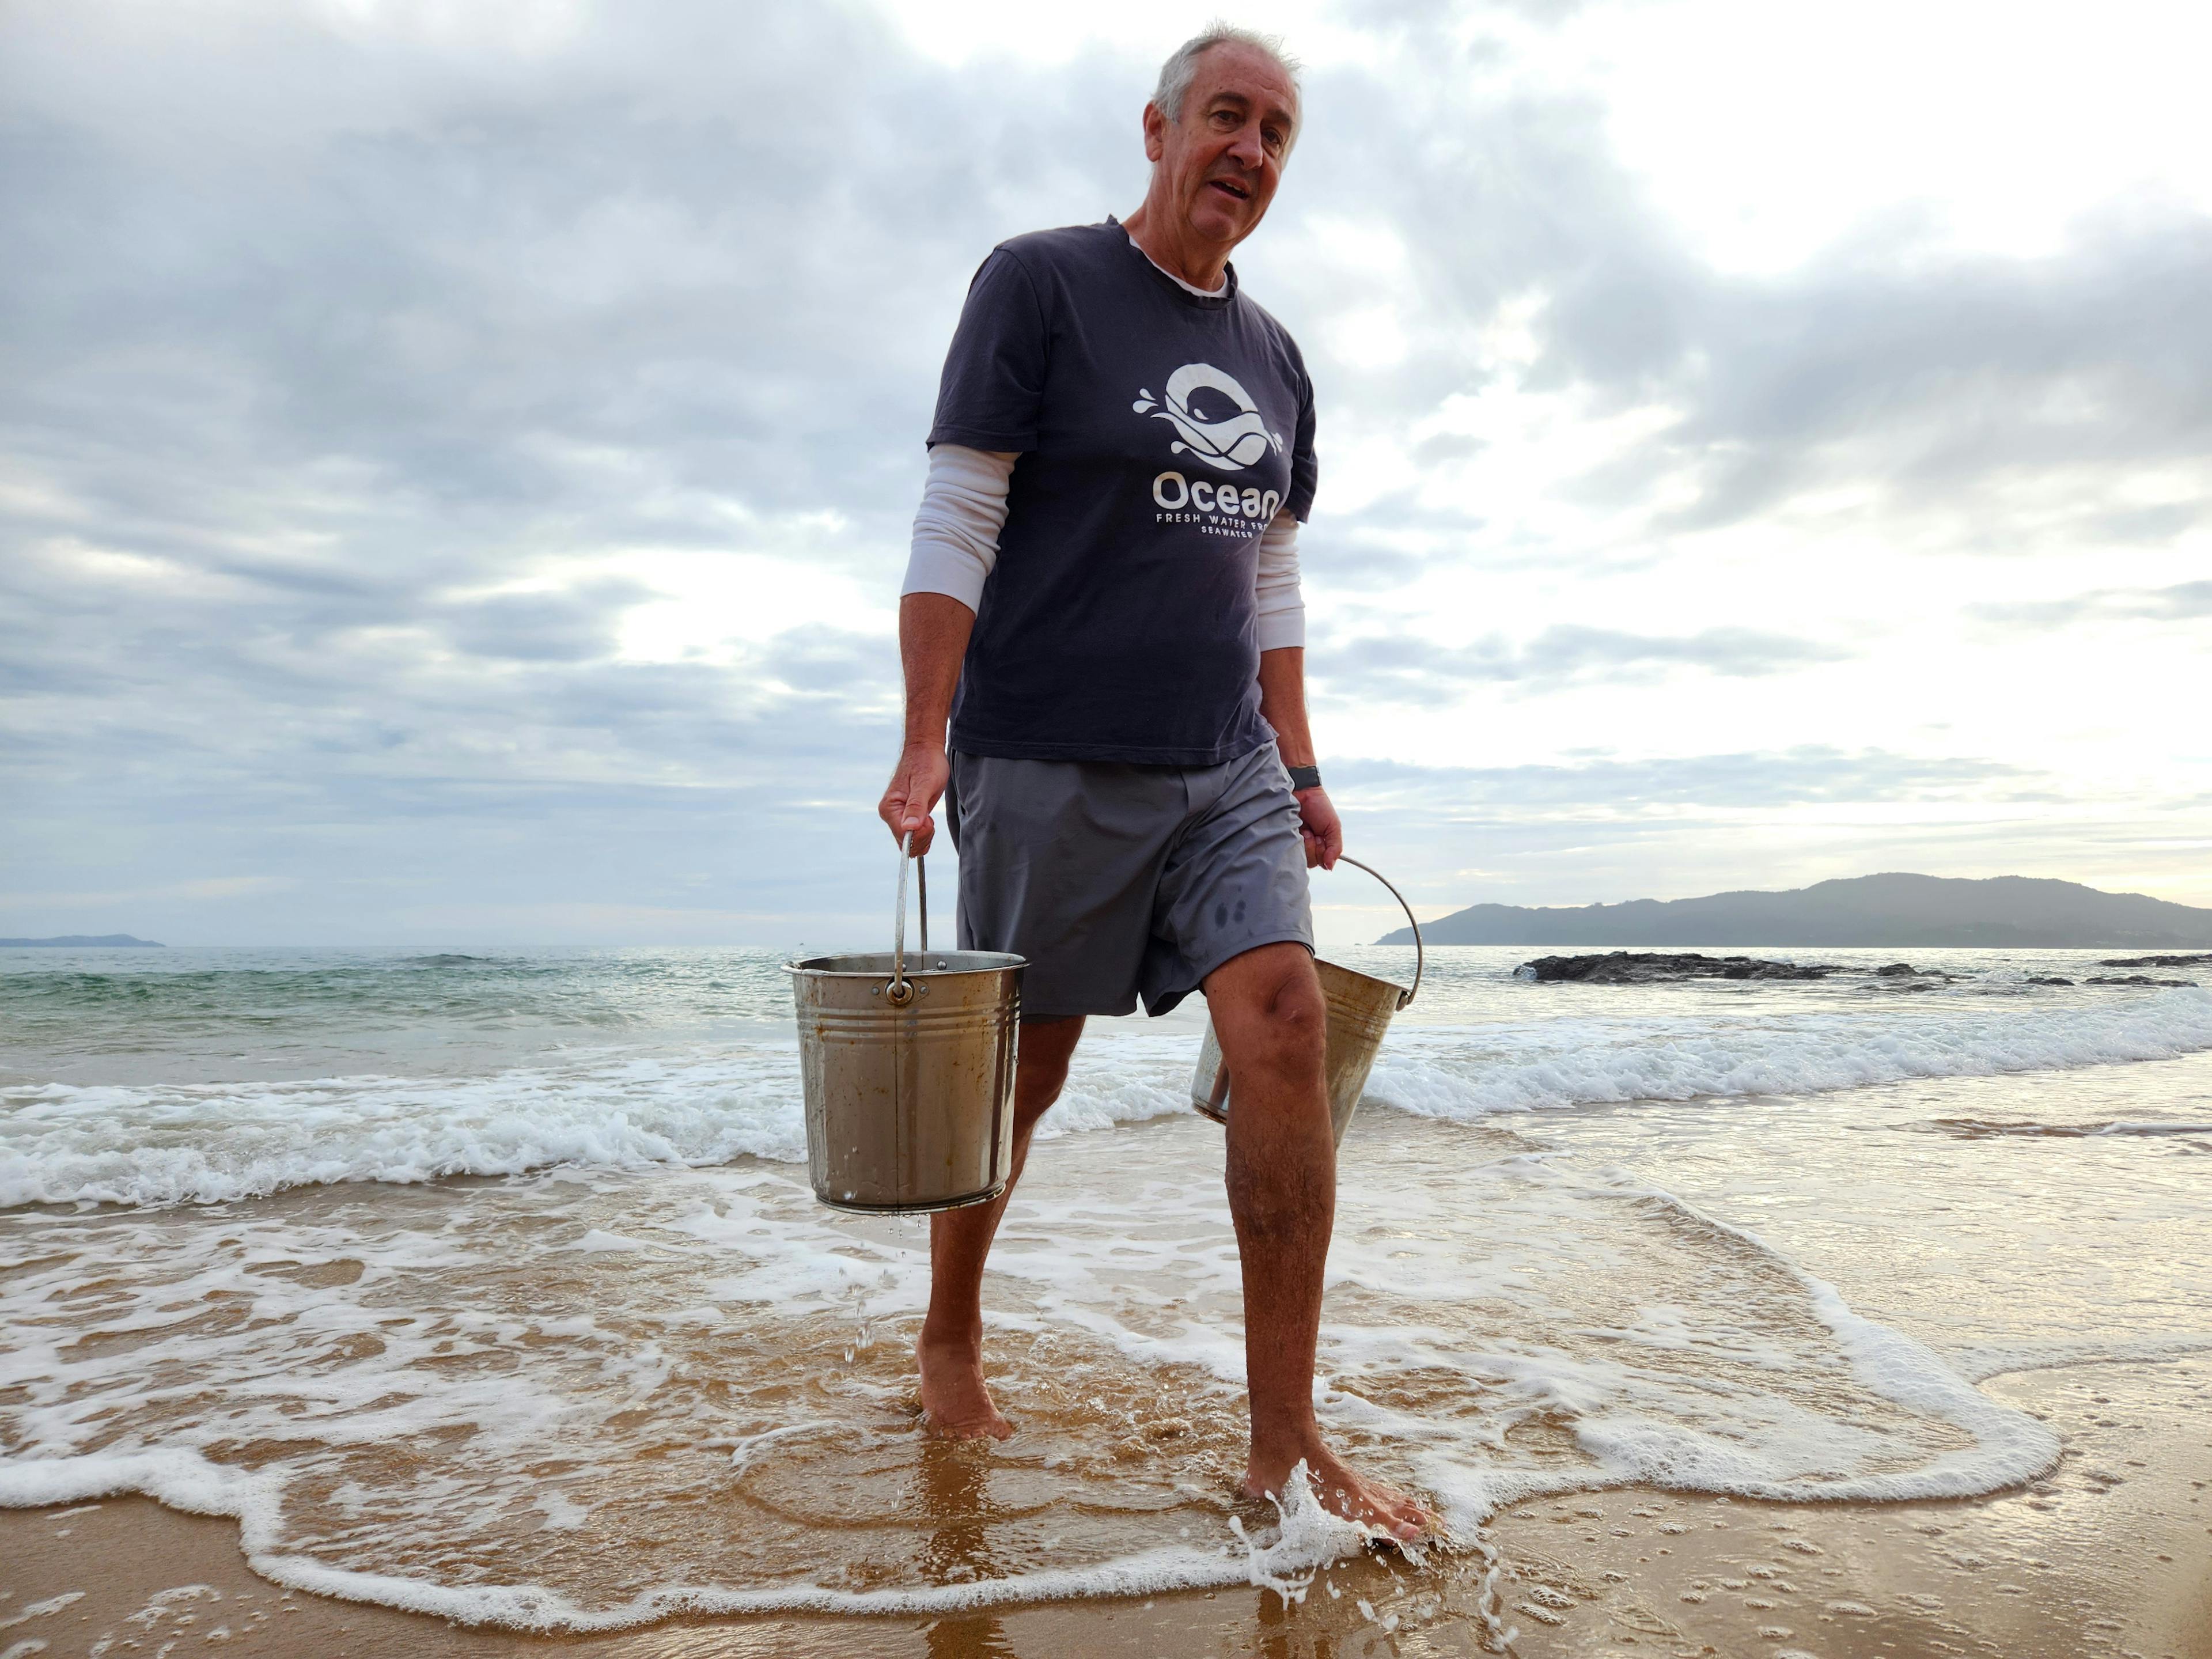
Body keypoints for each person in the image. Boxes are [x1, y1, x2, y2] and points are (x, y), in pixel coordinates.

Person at [877, 24, 1427, 1541]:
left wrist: (1302, 766)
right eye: (1228, 119)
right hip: (1046, 749)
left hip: (1224, 762)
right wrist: (928, 735)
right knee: (1027, 1073)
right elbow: (956, 518)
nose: (1250, 150)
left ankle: (1285, 1444)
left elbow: (1271, 574)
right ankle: (950, 1333)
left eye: (1277, 135)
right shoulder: (1039, 285)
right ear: (1160, 129)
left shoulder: (1277, 362)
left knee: (1288, 1023)